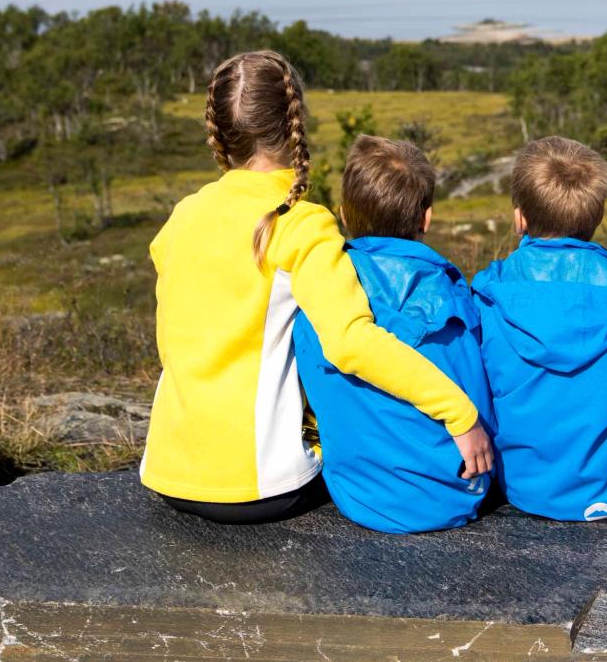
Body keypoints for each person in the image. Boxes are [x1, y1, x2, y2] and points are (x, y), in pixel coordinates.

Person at [139, 50, 490, 523]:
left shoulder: (184, 215)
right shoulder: (301, 223)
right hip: (261, 486)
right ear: (296, 120)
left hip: (168, 472)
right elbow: (352, 344)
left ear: (219, 129)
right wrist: (460, 414)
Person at [294, 135, 493, 533]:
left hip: (358, 496)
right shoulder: (452, 297)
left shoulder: (320, 298)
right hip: (455, 493)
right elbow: (480, 401)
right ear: (427, 217)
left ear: (344, 214)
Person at [472, 136, 607, 521]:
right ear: (597, 216)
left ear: (519, 217)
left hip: (522, 487)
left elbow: (481, 400)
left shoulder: (487, 298)